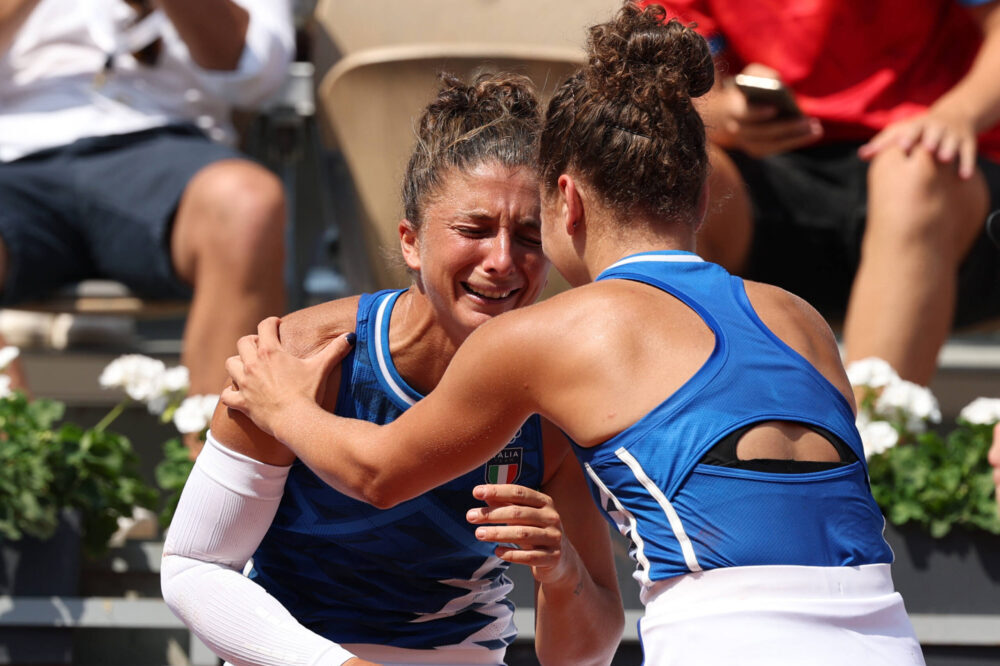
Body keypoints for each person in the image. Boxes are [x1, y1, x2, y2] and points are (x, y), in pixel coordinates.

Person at [221, 4, 925, 664]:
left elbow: (378, 476)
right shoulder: (801, 320)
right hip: (891, 641)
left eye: (530, 226)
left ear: (566, 200)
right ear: (705, 197)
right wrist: (561, 576)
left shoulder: (541, 336)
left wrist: (283, 406)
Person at [160, 72, 624, 666]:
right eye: (474, 230)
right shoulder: (298, 355)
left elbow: (582, 656)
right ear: (410, 242)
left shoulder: (560, 393)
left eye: (530, 236)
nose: (502, 261)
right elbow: (194, 565)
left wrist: (562, 576)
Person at [635, 0, 1000, 389]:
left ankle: (873, 436)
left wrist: (957, 114)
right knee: (668, 165)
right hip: (767, 175)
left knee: (912, 172)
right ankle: (675, 428)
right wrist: (722, 112)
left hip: (937, 187)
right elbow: (662, 77)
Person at [0, 0, 293, 453]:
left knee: (246, 205)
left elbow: (258, 76)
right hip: (14, 148)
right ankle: (20, 491)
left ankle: (217, 500)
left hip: (166, 142)